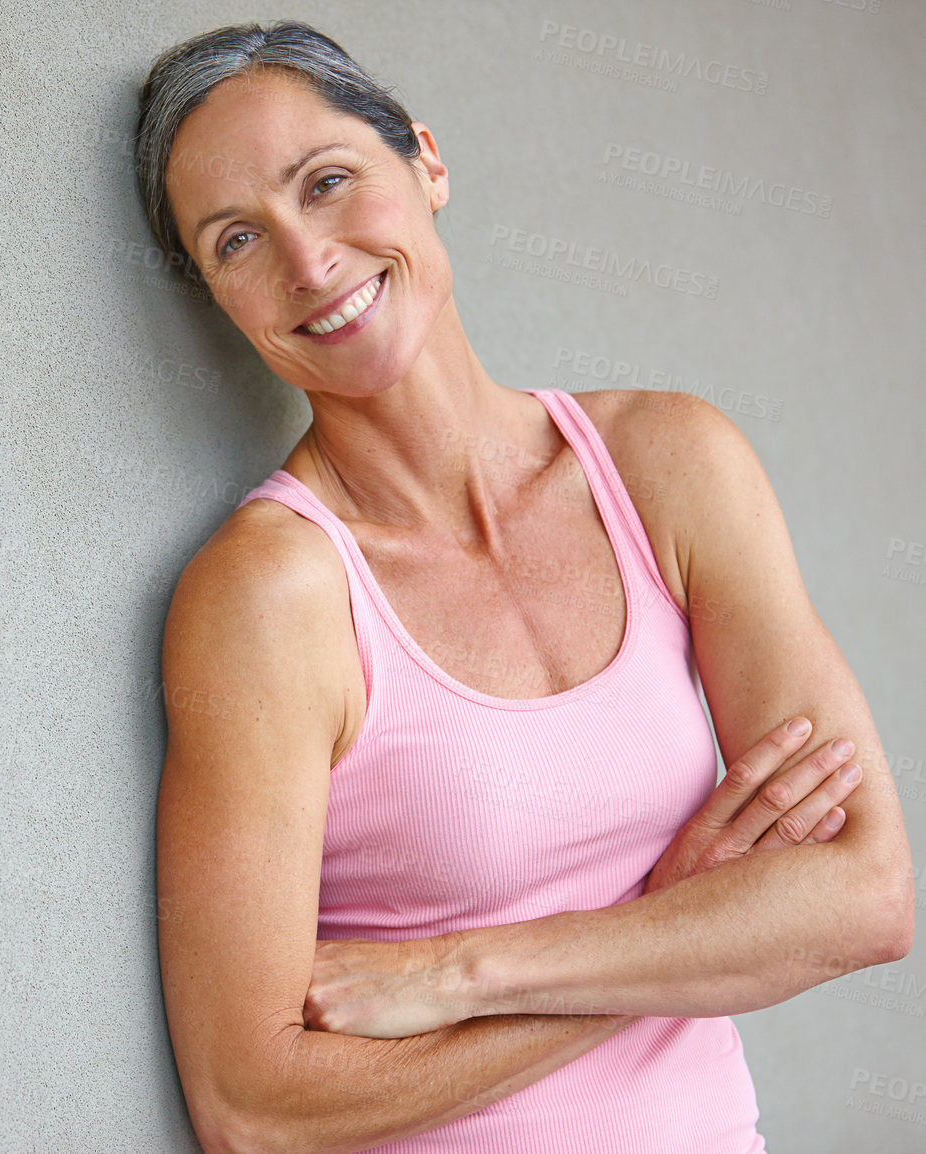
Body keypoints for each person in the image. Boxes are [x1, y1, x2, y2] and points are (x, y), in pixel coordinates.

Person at [139, 21, 914, 1153]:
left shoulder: (667, 465)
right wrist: (670, 927)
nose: (308, 262)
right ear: (218, 297)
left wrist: (463, 971)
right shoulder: (268, 599)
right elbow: (251, 1106)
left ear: (429, 163)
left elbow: (864, 891)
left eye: (330, 181)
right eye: (238, 240)